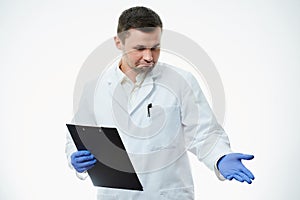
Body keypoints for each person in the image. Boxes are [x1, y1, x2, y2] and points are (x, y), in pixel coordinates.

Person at [65, 6, 255, 199]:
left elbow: (203, 133)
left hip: (166, 193)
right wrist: (76, 159)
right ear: (119, 43)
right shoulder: (95, 88)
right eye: (139, 49)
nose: (149, 57)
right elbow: (79, 135)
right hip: (115, 195)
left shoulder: (180, 81)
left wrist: (220, 157)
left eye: (155, 48)